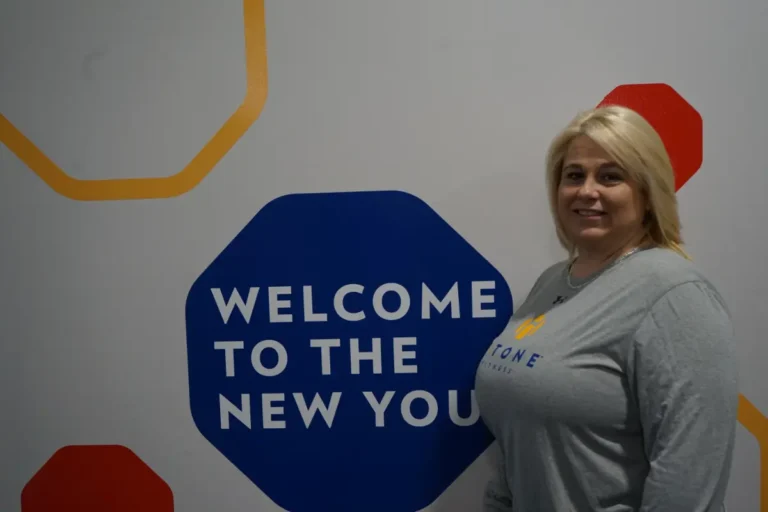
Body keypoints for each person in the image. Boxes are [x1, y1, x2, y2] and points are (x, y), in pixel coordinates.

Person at [474, 105, 740, 511]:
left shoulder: (675, 294)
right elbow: (515, 451)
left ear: (648, 195)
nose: (587, 191)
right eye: (574, 175)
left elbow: (687, 485)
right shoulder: (551, 282)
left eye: (611, 176)